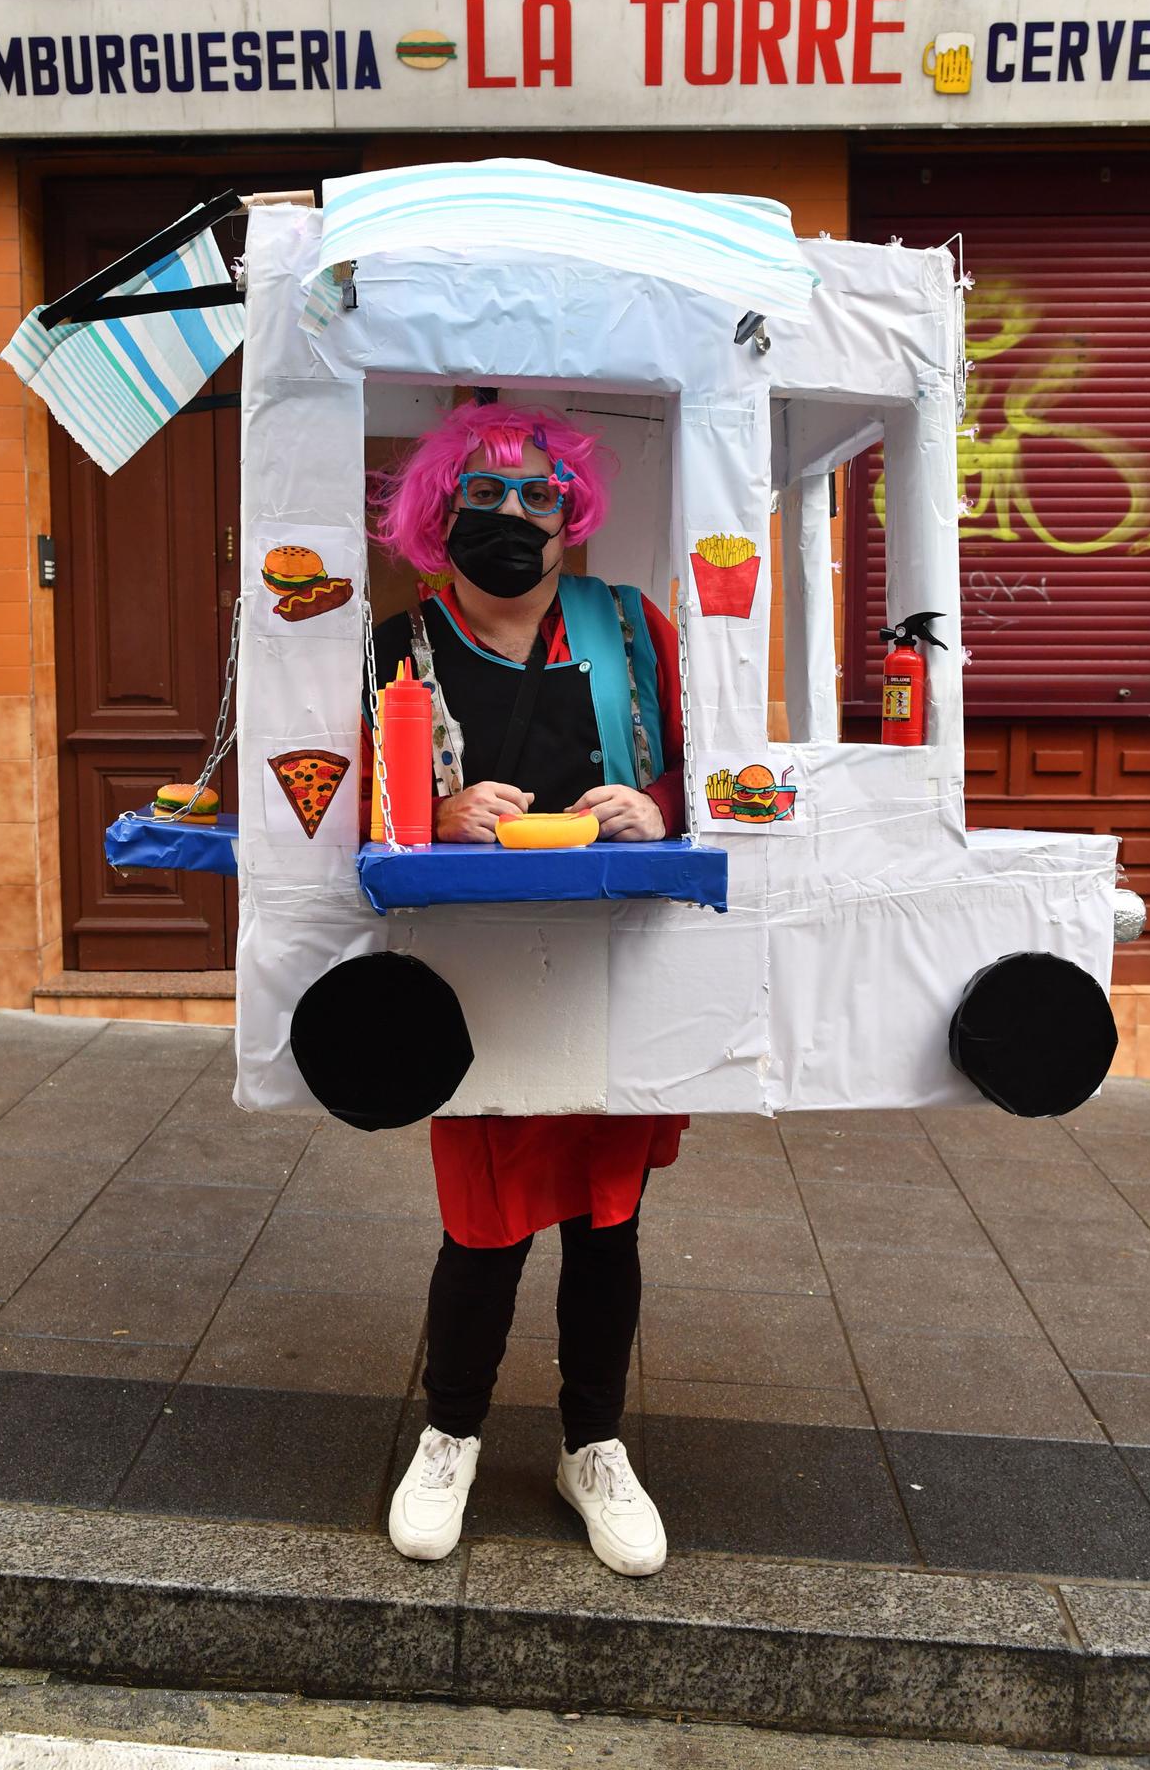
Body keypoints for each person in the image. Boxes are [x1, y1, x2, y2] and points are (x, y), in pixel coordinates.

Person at [362, 402, 687, 1579]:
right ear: (437, 512)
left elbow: (717, 771)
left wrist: (662, 805)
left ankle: (592, 1443)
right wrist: (432, 816)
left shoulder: (634, 629)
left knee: (609, 1219)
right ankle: (449, 1432)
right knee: (482, 1225)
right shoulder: (393, 647)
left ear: (572, 513)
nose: (511, 519)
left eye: (536, 496)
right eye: (482, 498)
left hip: (614, 969)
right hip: (474, 983)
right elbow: (348, 814)